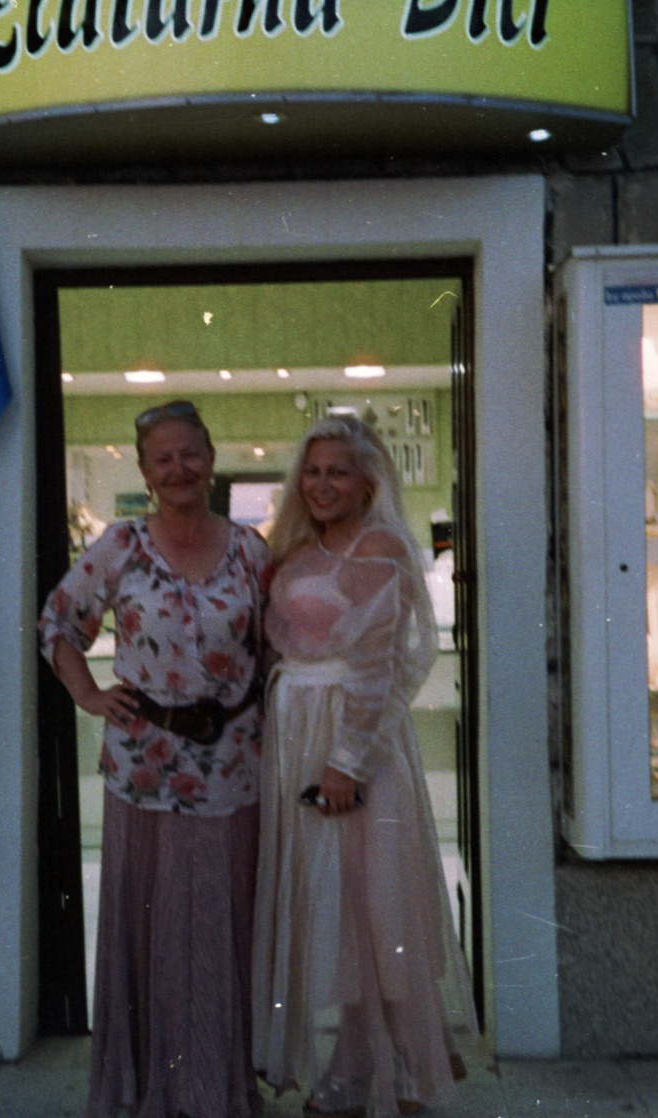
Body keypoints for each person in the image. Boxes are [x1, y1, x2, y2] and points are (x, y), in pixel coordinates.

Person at [39, 399, 271, 1118]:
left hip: (231, 768)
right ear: (144, 472)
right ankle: (151, 1087)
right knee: (151, 929)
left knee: (220, 930)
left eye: (190, 453)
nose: (179, 469)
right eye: (162, 458)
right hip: (144, 768)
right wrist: (87, 695)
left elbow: (279, 648)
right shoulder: (121, 546)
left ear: (211, 458)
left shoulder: (251, 551)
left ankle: (214, 1087)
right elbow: (58, 623)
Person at [252, 415, 476, 1118]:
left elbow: (380, 669)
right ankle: (404, 1052)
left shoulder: (379, 547)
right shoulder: (299, 547)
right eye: (313, 472)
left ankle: (376, 1067)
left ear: (367, 481)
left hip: (353, 750)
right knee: (339, 908)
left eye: (338, 473)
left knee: (370, 906)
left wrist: (346, 764)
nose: (322, 485)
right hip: (299, 741)